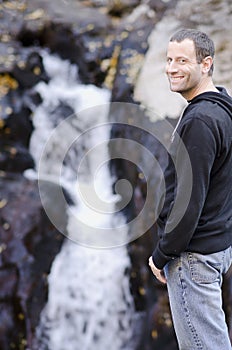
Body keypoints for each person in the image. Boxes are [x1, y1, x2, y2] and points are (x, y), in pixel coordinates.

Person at [148, 28, 232, 349]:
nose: (172, 67)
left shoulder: (201, 120)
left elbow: (188, 200)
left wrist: (162, 253)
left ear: (206, 64)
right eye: (169, 59)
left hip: (192, 256)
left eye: (182, 60)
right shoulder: (223, 108)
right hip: (217, 249)